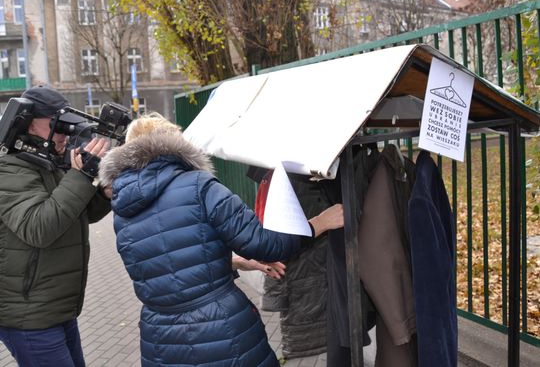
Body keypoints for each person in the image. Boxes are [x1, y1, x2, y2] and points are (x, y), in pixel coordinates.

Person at [98, 112, 344, 367]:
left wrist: (237, 262)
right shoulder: (198, 186)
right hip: (219, 331)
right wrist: (319, 223)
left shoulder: (123, 209)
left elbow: (169, 270)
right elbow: (265, 244)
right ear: (174, 144)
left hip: (160, 338)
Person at [0, 86, 111, 366]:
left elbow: (77, 214)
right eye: (57, 126)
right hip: (28, 315)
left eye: (67, 129)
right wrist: (80, 178)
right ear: (26, 122)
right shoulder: (8, 169)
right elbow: (40, 227)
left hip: (55, 308)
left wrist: (102, 191)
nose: (64, 135)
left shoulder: (49, 165)